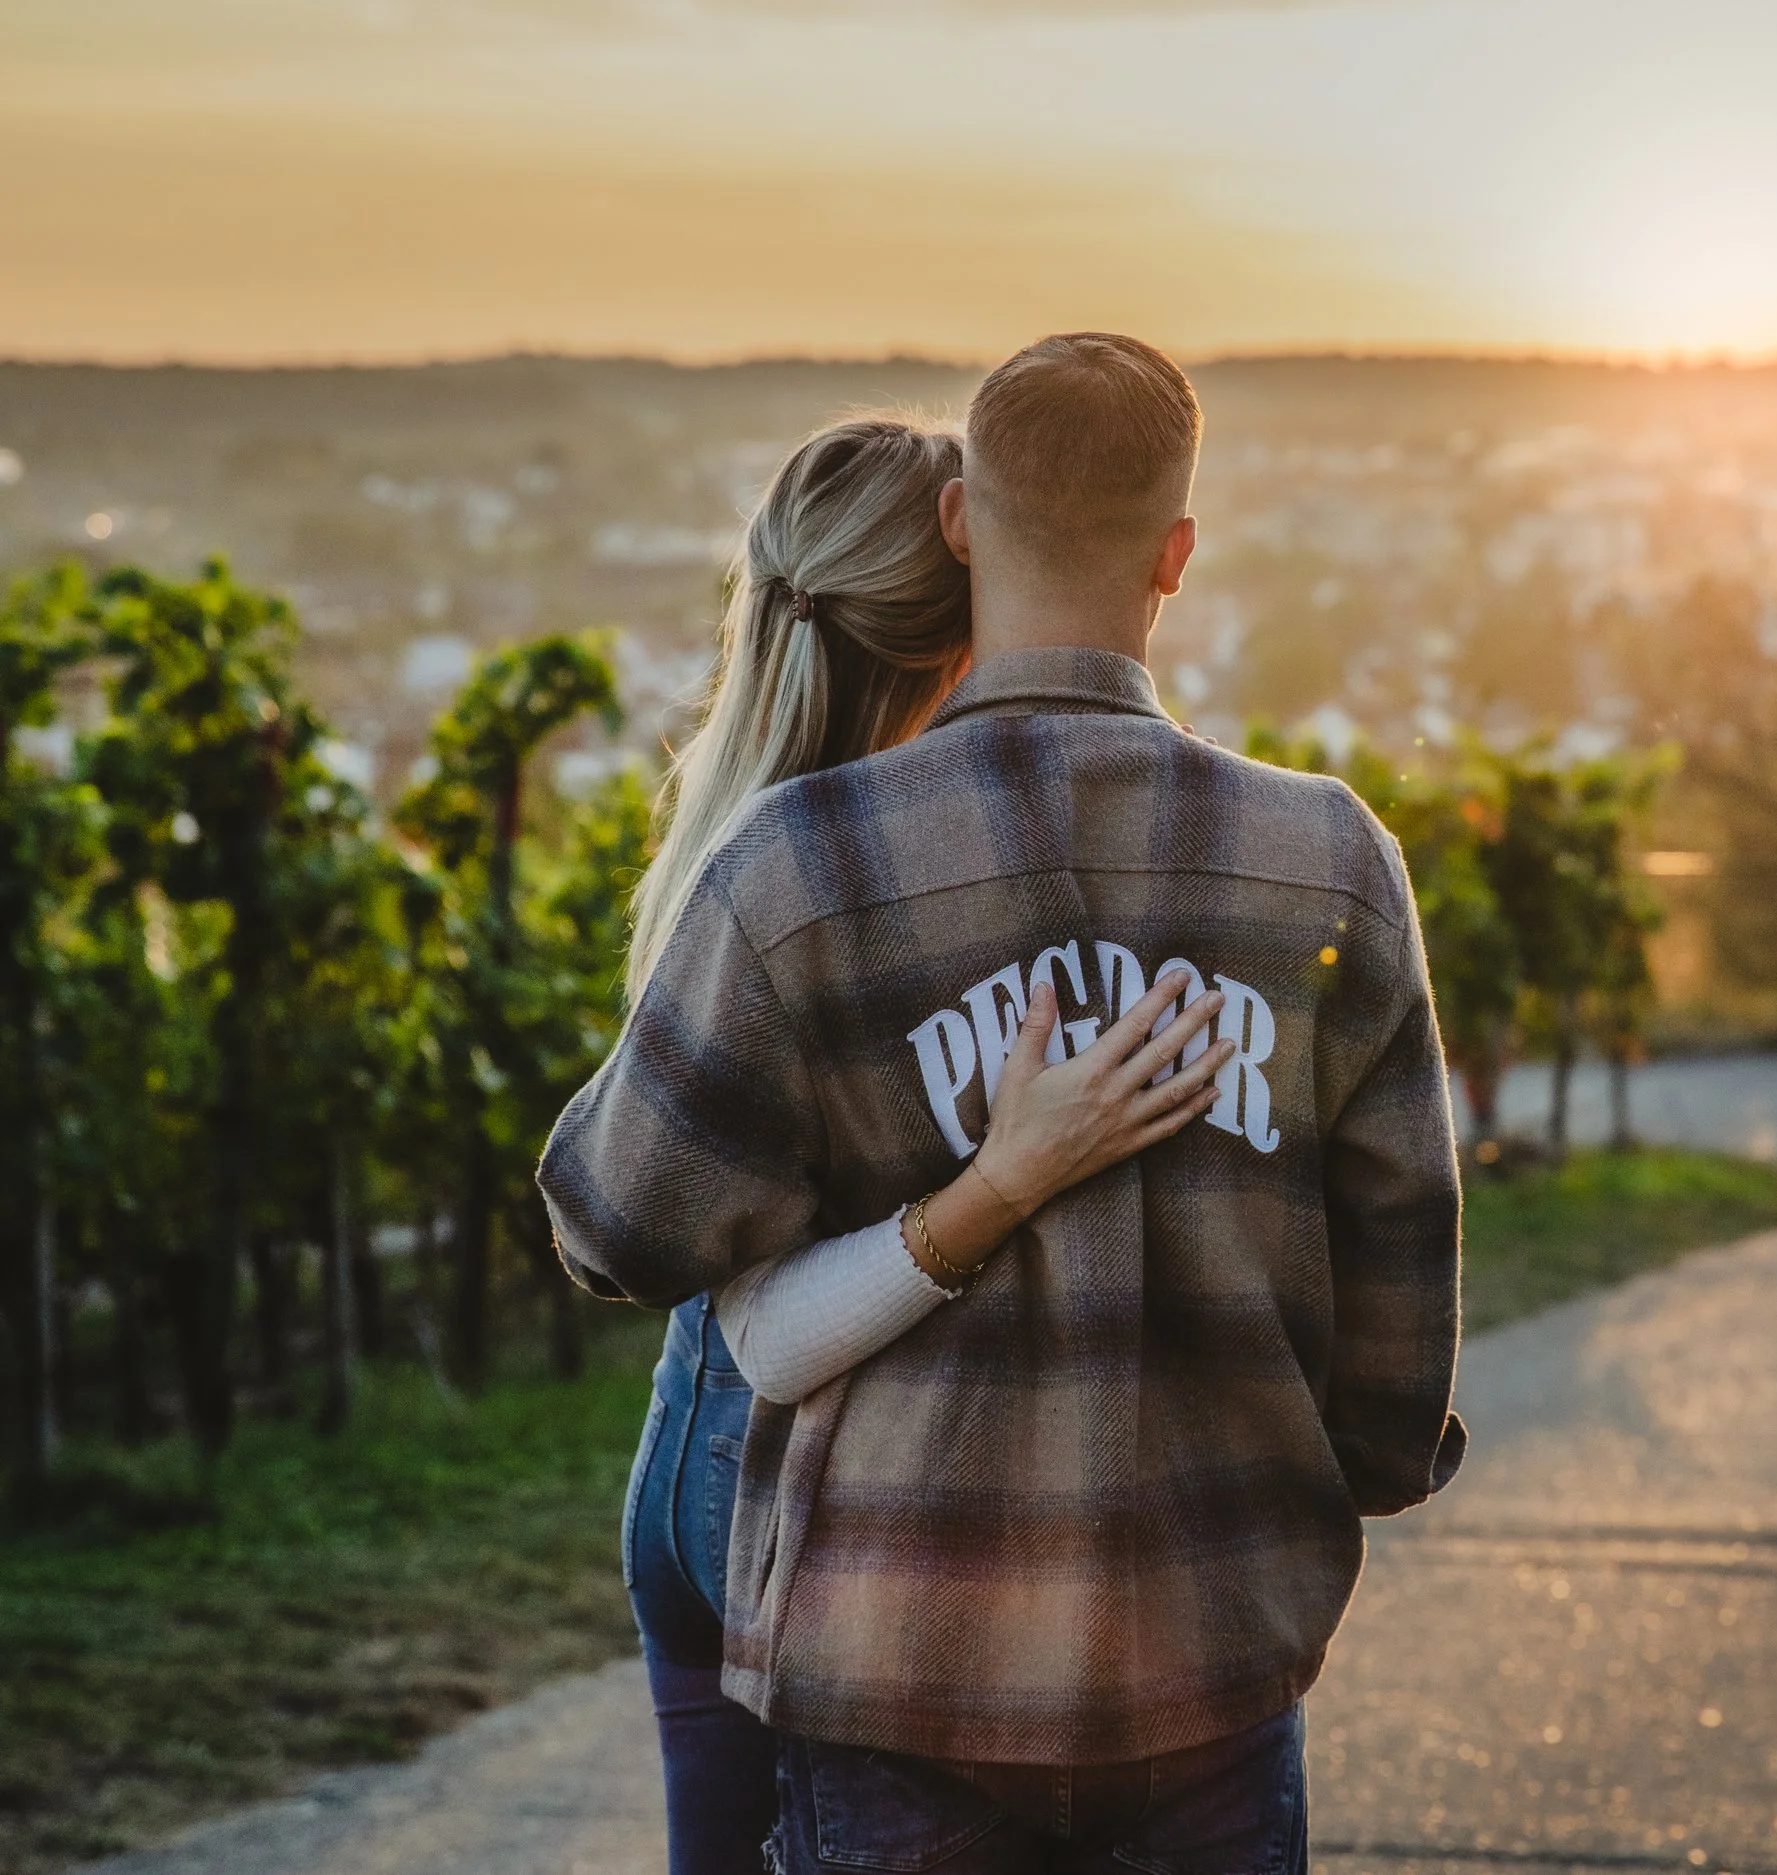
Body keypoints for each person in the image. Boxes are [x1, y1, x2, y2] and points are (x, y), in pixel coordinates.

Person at [541, 334, 1465, 1875]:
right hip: (1209, 1664)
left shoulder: (798, 867)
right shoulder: (1333, 860)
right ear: (1176, 555)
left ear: (962, 519)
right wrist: (1344, 1468)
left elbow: (615, 1224)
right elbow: (1398, 1291)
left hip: (898, 1674)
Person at [604, 413, 1234, 1875]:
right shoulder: (816, 882)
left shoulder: (729, 840)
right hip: (783, 1470)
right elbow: (767, 1326)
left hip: (686, 1455)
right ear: (968, 625)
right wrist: (1010, 1179)